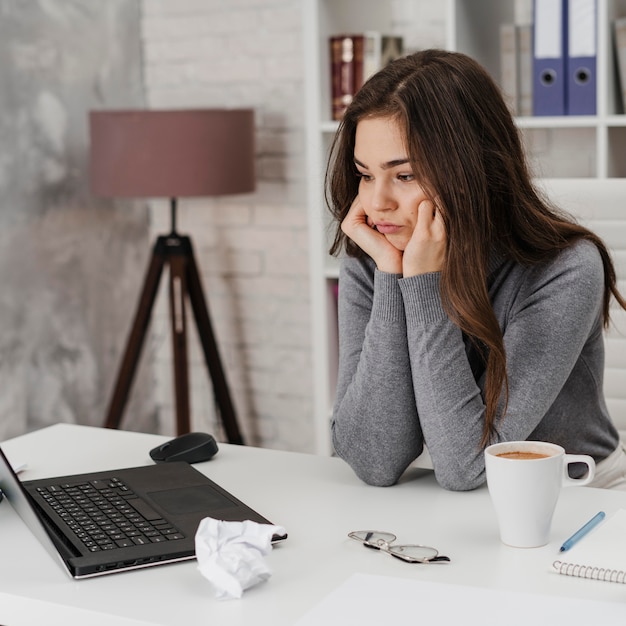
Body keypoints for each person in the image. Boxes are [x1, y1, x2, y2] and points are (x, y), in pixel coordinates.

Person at [326, 49, 626, 491]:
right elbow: (376, 461)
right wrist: (392, 277)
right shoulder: (375, 261)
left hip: (576, 500)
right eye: (365, 175)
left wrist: (424, 286)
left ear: (472, 169)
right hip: (452, 505)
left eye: (404, 175)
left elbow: (469, 465)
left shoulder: (565, 269)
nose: (376, 203)